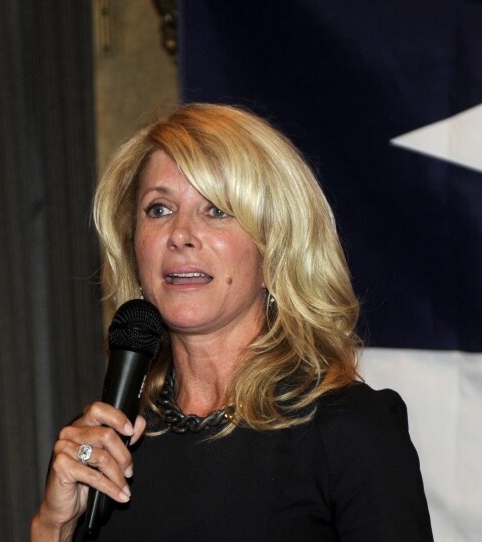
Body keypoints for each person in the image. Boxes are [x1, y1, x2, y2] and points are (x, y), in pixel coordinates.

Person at [30, 103, 433, 541]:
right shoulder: (102, 443)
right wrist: (54, 525)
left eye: (217, 210)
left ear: (274, 253)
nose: (180, 235)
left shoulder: (349, 431)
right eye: (159, 209)